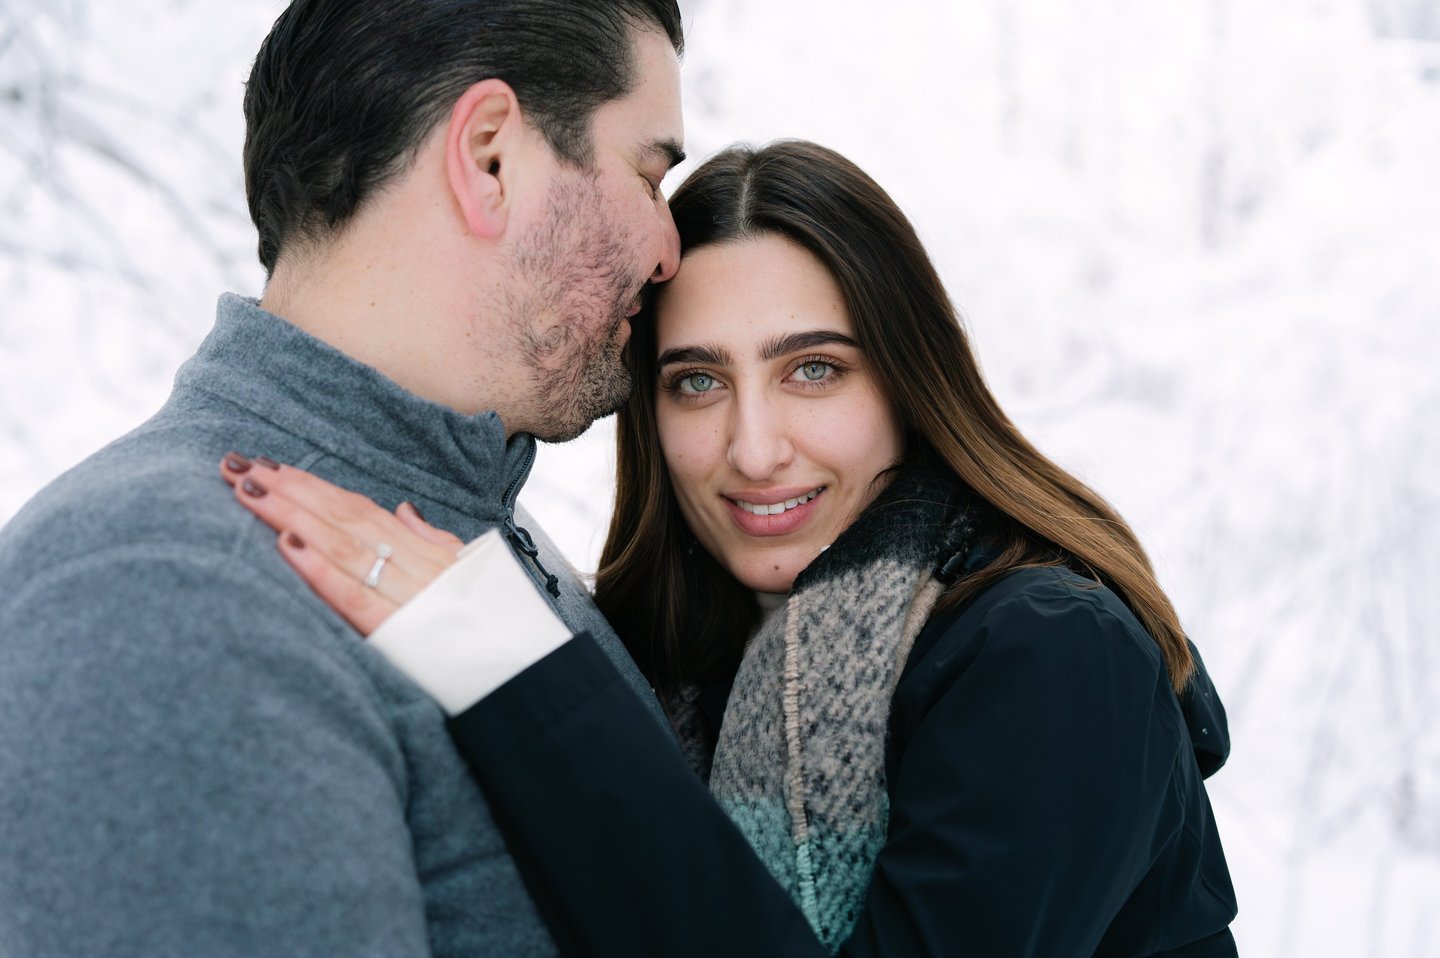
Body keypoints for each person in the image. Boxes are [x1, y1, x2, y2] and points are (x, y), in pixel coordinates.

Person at [220, 141, 1241, 956]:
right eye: (698, 382)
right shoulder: (657, 658)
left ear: (907, 382)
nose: (754, 449)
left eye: (814, 372)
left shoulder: (1053, 653)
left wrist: (501, 663)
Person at [0, 0, 688, 954]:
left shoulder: (488, 536)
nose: (668, 251)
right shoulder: (165, 585)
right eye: (650, 176)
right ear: (489, 155)